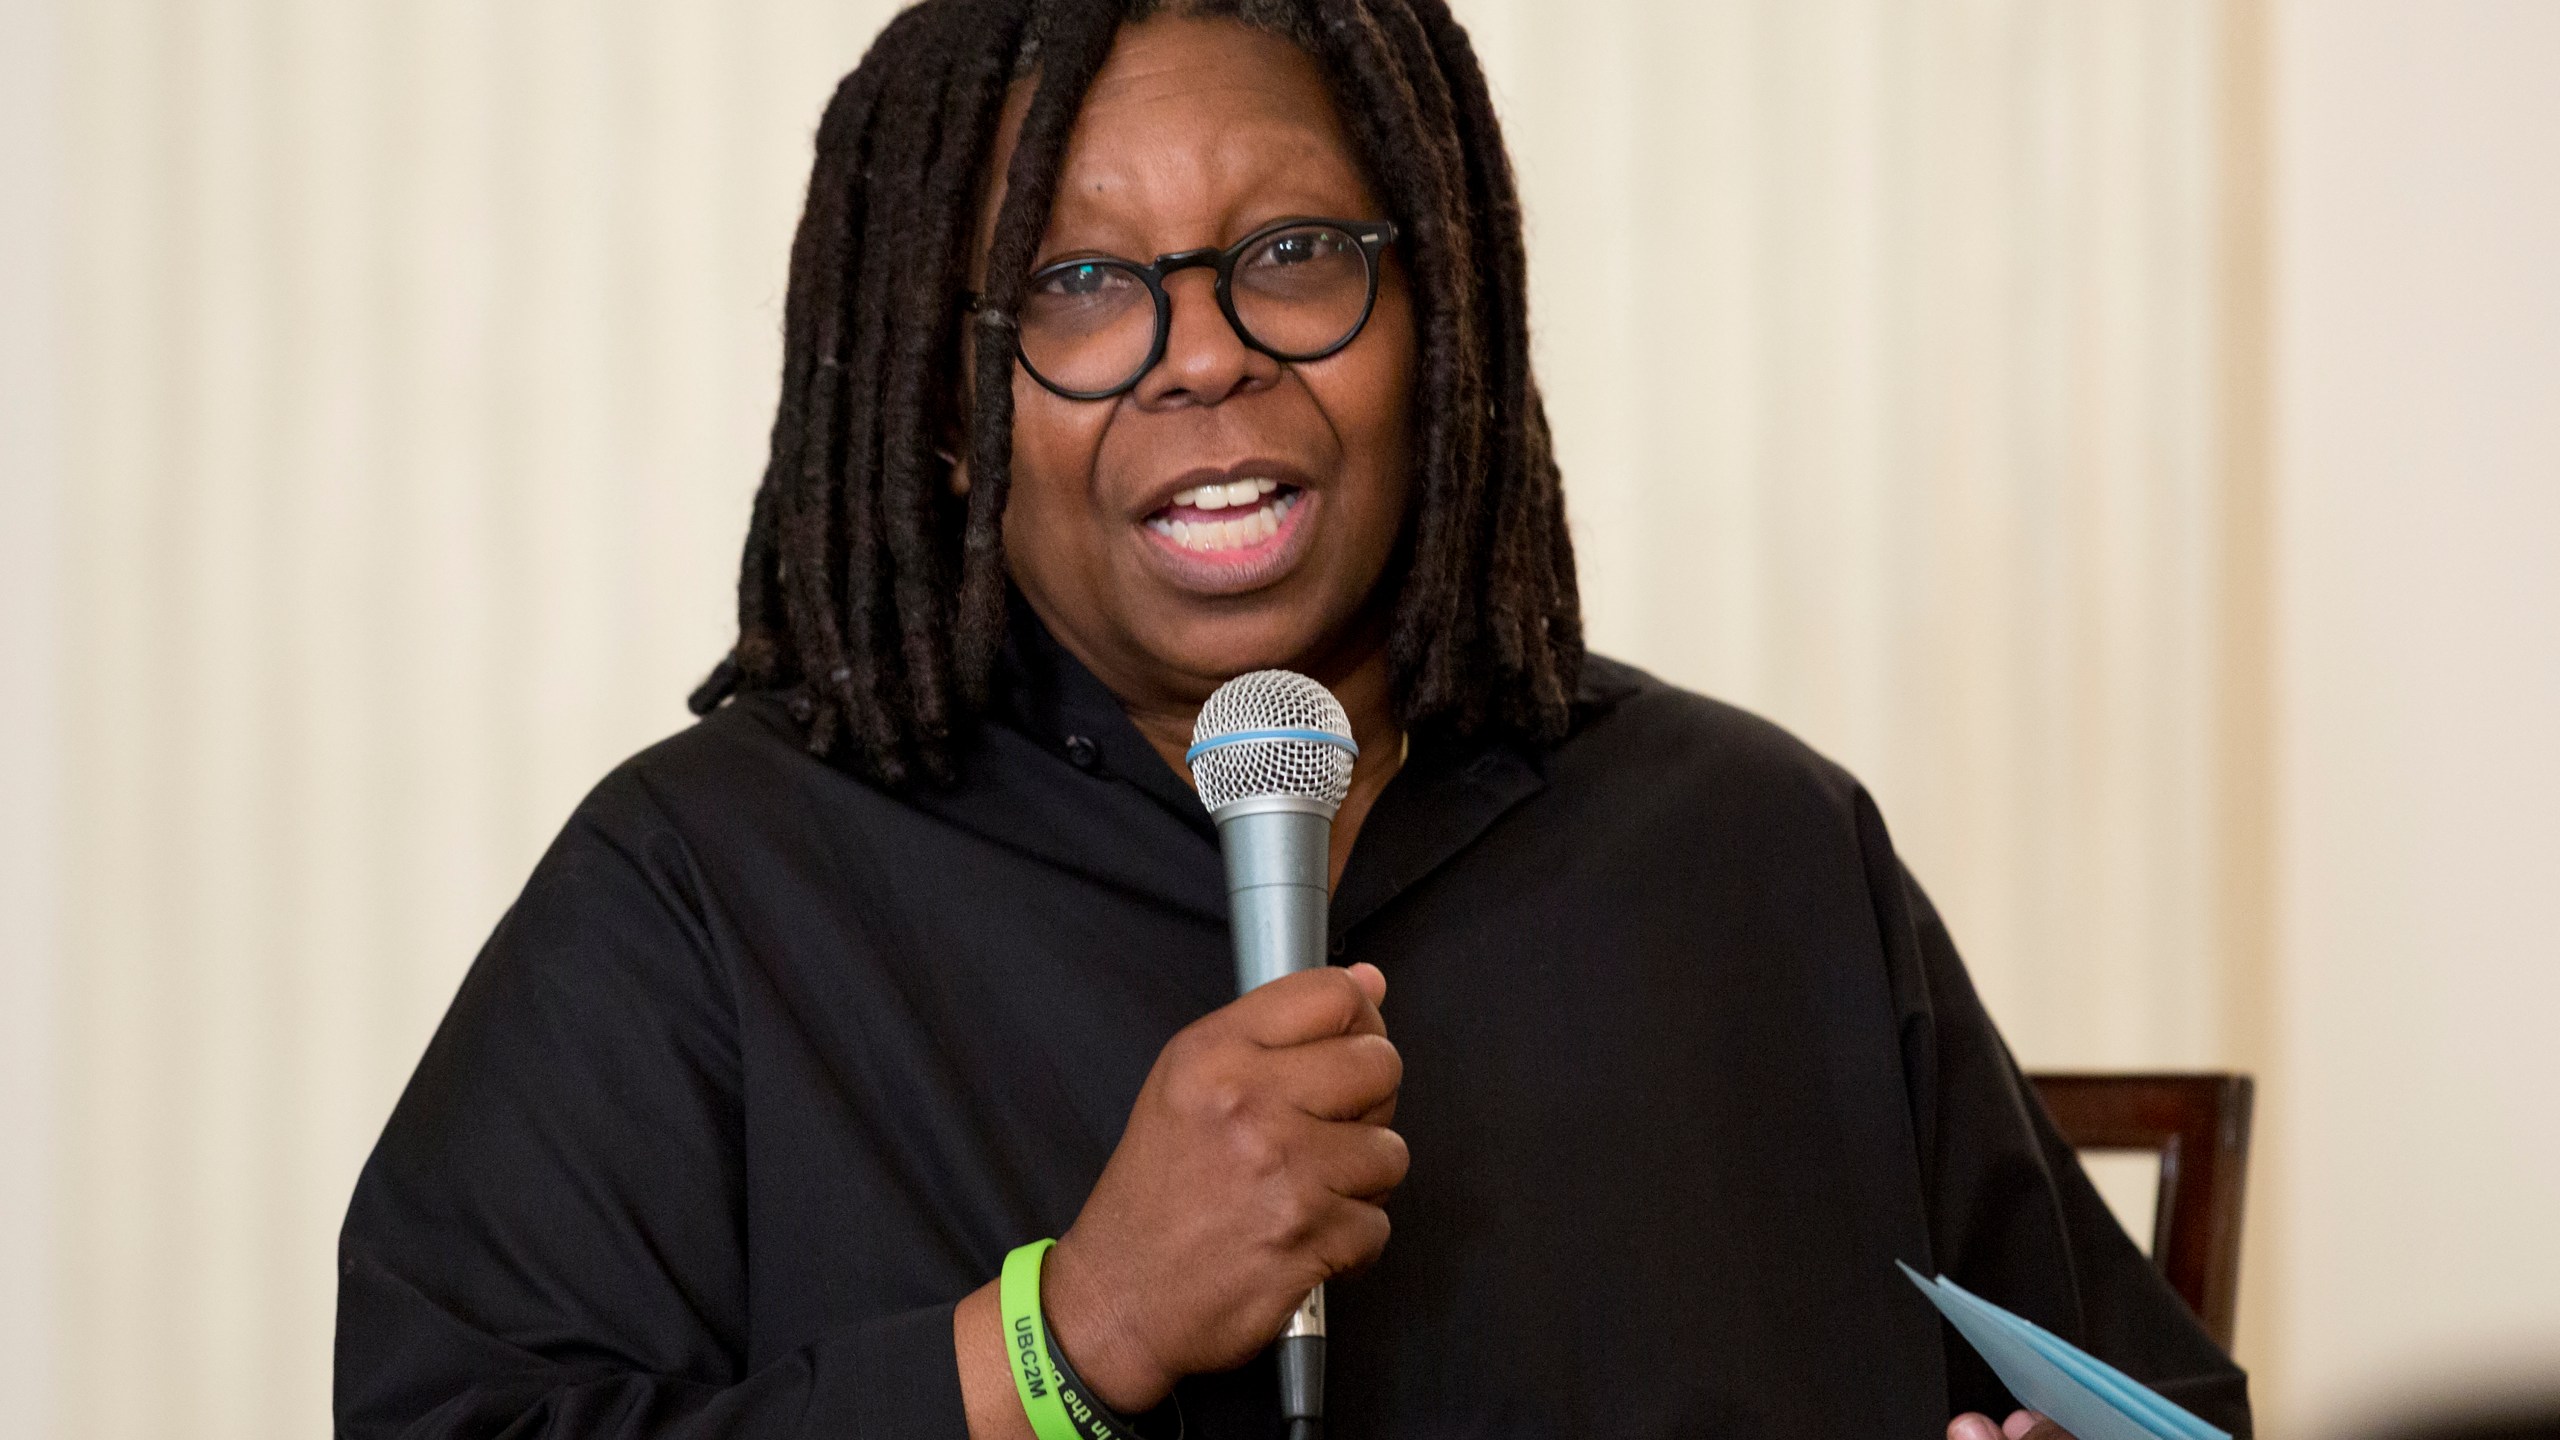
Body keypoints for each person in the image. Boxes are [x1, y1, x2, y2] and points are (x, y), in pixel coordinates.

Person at [333, 2, 2252, 1438]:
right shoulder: (710, 887)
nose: (1210, 350)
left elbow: (2136, 1395)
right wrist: (1055, 1340)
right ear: (947, 401)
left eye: (1296, 255)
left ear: (1446, 325)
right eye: (1081, 288)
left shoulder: (1749, 844)